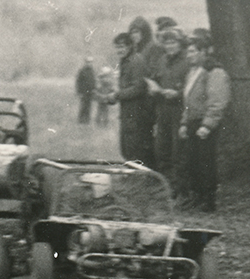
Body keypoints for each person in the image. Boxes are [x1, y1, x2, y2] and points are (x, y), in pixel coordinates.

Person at [177, 36, 231, 212]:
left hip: (204, 123)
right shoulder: (192, 72)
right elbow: (188, 100)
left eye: (193, 51)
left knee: (206, 162)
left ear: (203, 52)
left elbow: (217, 101)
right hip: (193, 122)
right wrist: (184, 123)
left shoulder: (214, 71)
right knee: (192, 161)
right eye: (188, 52)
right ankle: (197, 195)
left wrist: (207, 125)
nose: (189, 55)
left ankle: (209, 199)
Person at [107, 32, 155, 167]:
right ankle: (132, 175)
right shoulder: (126, 61)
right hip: (128, 114)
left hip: (138, 115)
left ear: (129, 46)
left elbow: (138, 88)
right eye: (117, 47)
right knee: (127, 148)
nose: (119, 50)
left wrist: (117, 95)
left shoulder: (136, 61)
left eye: (122, 46)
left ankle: (138, 177)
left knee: (136, 150)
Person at [150, 29, 189, 184]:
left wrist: (178, 94)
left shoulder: (187, 61)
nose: (170, 46)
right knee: (161, 148)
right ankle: (166, 184)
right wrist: (153, 87)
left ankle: (180, 187)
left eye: (173, 42)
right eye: (167, 43)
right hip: (163, 109)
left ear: (180, 43)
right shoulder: (162, 60)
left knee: (178, 149)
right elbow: (155, 78)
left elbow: (193, 88)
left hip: (180, 110)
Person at [75, 56, 96, 124]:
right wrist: (79, 92)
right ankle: (81, 120)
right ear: (85, 62)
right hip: (83, 92)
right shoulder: (82, 71)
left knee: (89, 106)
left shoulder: (92, 71)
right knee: (83, 106)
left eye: (90, 62)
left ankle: (87, 120)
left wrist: (94, 89)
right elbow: (78, 82)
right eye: (88, 62)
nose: (89, 63)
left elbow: (93, 81)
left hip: (90, 92)